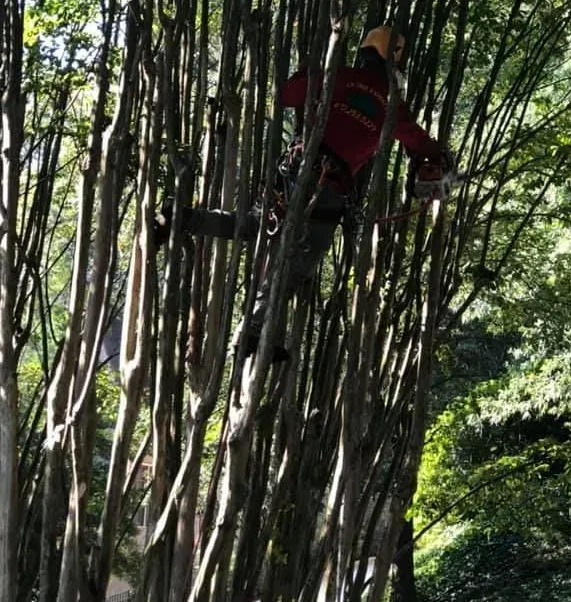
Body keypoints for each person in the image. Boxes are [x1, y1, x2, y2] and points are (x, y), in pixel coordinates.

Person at [156, 26, 450, 362]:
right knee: (298, 261)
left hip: (293, 169)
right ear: (395, 60)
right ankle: (252, 332)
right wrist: (440, 160)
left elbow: (287, 95)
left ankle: (179, 218)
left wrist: (310, 76)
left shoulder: (338, 75)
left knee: (254, 226)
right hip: (328, 186)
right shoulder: (392, 103)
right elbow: (418, 142)